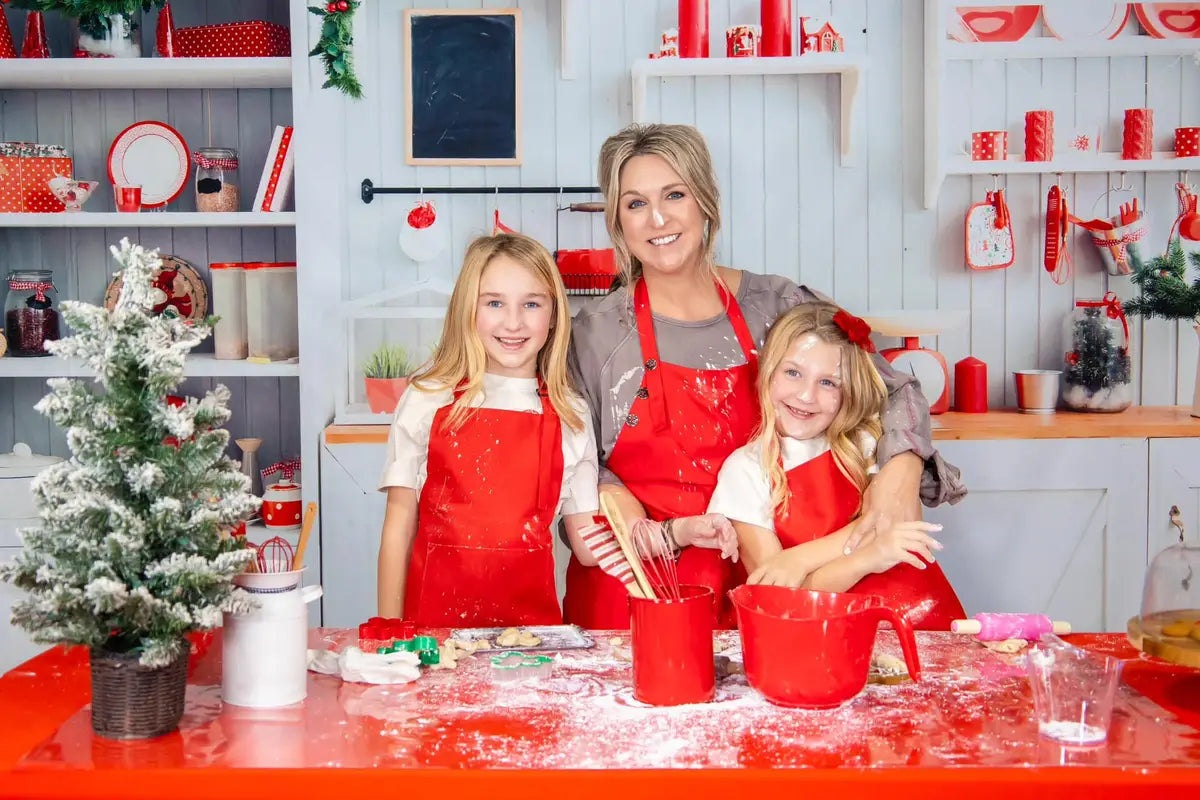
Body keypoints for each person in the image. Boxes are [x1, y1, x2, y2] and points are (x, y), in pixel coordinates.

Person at [563, 123, 965, 628]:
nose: (657, 218)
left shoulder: (778, 306)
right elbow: (563, 445)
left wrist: (899, 474)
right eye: (635, 203)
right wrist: (603, 484)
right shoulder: (593, 334)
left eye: (674, 194)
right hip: (648, 589)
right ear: (616, 220)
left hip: (785, 580)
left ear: (705, 201)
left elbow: (893, 388)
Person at [376, 233, 601, 626]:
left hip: (532, 640)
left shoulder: (571, 414)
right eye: (494, 303)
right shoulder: (429, 398)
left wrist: (668, 533)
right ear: (468, 309)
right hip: (433, 634)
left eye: (531, 304)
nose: (513, 322)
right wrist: (390, 631)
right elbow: (398, 525)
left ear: (553, 316)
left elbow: (587, 545)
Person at [708, 302, 966, 630]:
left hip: (918, 623)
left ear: (849, 391)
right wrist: (869, 557)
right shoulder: (746, 470)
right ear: (768, 371)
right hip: (823, 639)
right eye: (793, 373)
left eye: (828, 382)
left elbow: (901, 522)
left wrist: (799, 558)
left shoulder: (872, 442)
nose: (806, 395)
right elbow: (780, 597)